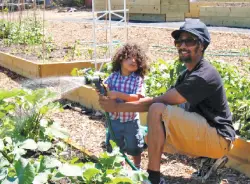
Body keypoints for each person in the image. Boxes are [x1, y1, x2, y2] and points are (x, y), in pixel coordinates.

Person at [99, 20, 236, 184]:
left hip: (219, 138)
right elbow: (165, 102)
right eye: (179, 41)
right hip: (204, 133)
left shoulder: (204, 75)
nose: (182, 45)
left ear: (202, 46)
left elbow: (158, 102)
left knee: (157, 109)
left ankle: (153, 177)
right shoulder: (186, 74)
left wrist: (118, 107)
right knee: (150, 136)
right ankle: (205, 160)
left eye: (190, 41)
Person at [103, 43, 148, 169]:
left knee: (135, 146)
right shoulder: (113, 77)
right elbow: (105, 89)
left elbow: (139, 97)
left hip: (131, 120)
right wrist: (102, 88)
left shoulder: (137, 79)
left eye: (136, 59)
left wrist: (118, 94)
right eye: (129, 57)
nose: (133, 61)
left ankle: (137, 167)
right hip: (114, 120)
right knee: (116, 145)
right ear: (121, 59)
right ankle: (120, 166)